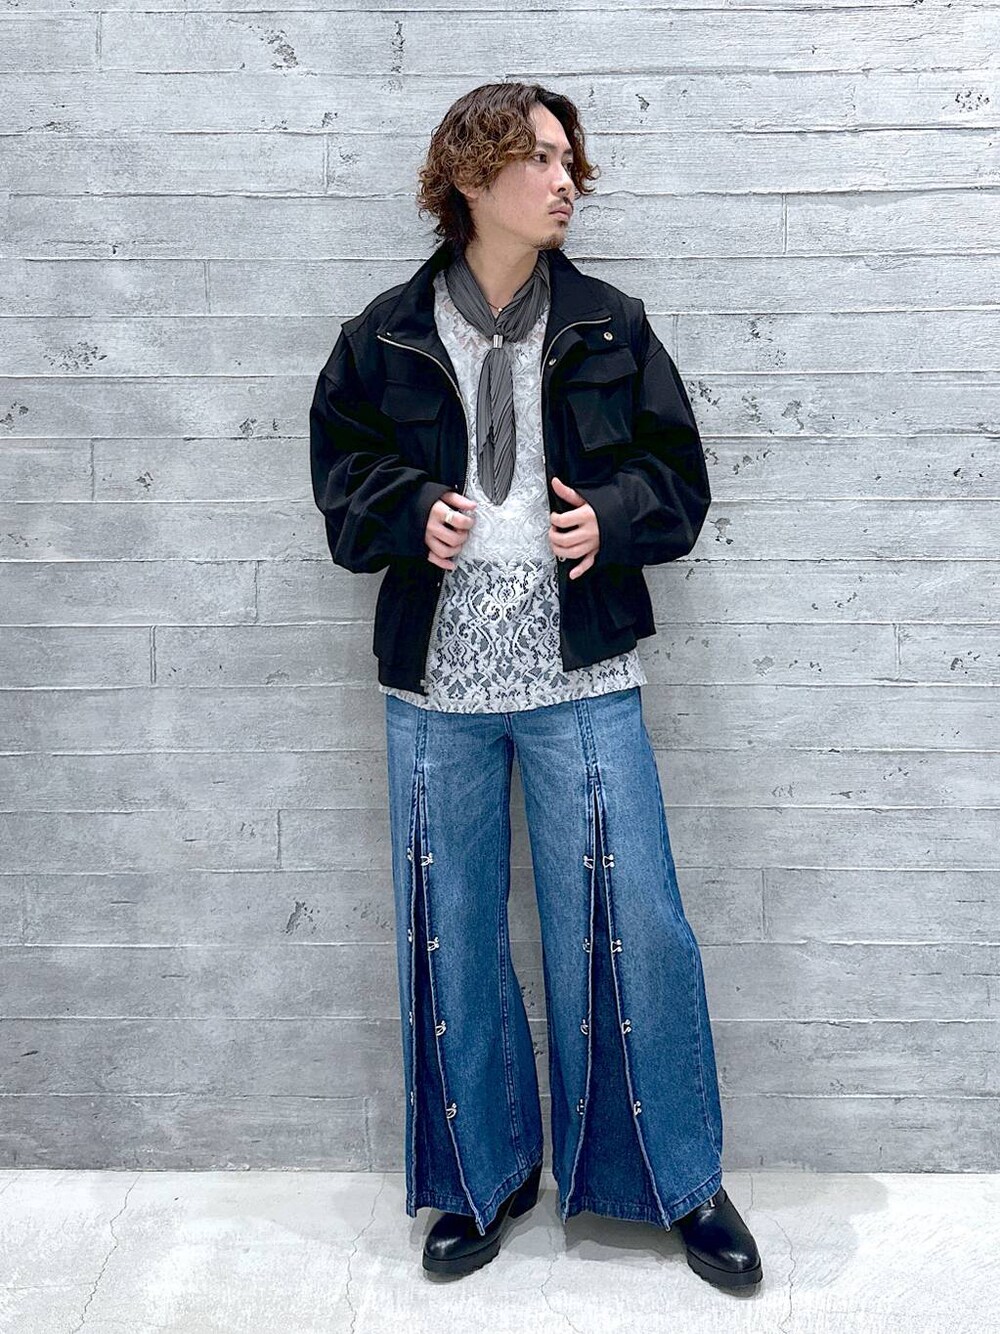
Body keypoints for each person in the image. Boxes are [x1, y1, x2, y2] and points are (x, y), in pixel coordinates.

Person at [309, 81, 762, 1290]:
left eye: (570, 162)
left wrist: (610, 516)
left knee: (633, 926)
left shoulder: (610, 323)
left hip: (583, 668)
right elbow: (340, 480)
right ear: (473, 175)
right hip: (435, 686)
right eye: (543, 160)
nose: (567, 182)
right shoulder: (382, 335)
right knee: (450, 933)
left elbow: (679, 480)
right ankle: (483, 1175)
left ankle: (674, 1178)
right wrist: (407, 508)